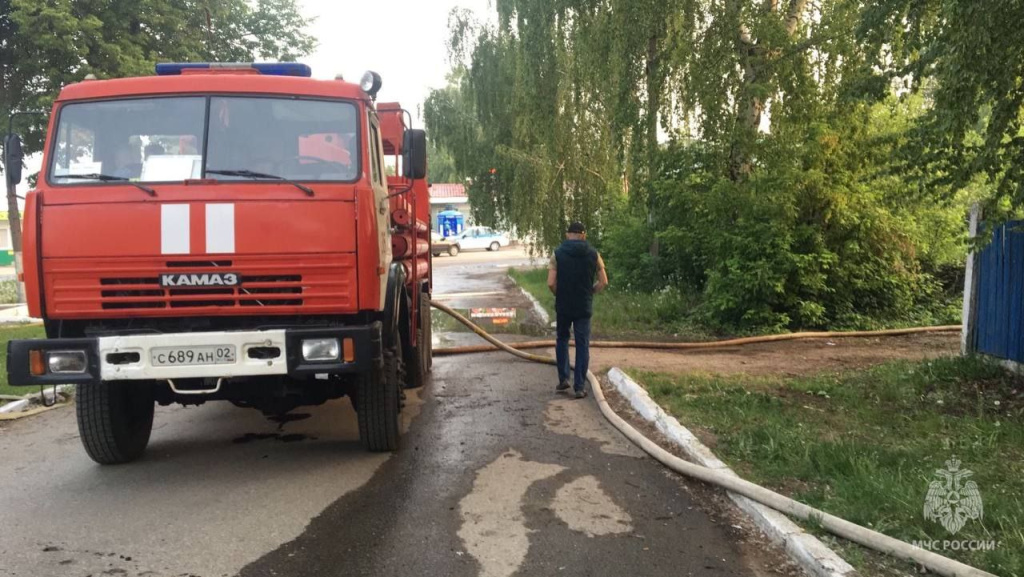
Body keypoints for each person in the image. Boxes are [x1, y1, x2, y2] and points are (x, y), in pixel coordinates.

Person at [547, 222, 608, 399]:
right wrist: (591, 292)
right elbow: (604, 281)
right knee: (582, 344)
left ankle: (564, 378)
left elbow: (550, 282)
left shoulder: (557, 254)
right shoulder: (594, 254)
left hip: (564, 305)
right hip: (583, 305)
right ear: (583, 235)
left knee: (562, 339)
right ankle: (579, 386)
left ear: (567, 235)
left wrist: (559, 294)